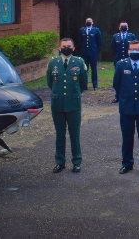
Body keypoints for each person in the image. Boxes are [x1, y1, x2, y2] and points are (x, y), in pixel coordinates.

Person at [113, 41, 139, 174]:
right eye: (132, 49)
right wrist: (125, 96)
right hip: (126, 107)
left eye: (137, 49)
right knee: (127, 137)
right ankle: (127, 163)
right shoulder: (121, 65)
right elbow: (116, 84)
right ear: (128, 51)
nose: (135, 51)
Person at [46, 38, 88, 173]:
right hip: (57, 104)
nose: (66, 48)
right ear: (59, 48)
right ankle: (60, 162)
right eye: (64, 46)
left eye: (69, 46)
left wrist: (74, 94)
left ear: (73, 48)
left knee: (74, 134)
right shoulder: (53, 62)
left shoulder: (79, 62)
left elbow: (83, 83)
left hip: (73, 104)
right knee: (60, 134)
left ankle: (76, 162)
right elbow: (50, 82)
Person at [110, 22, 137, 103]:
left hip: (129, 60)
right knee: (118, 79)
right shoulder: (115, 36)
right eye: (122, 26)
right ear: (119, 27)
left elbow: (135, 47)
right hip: (118, 60)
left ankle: (129, 95)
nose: (123, 27)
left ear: (127, 28)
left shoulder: (131, 36)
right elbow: (112, 48)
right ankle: (117, 96)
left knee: (129, 78)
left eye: (125, 26)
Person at [79, 17, 102, 89]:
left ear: (92, 22)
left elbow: (99, 41)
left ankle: (95, 84)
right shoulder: (82, 30)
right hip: (84, 53)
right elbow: (80, 40)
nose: (88, 22)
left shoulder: (96, 30)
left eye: (90, 21)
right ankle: (84, 84)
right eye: (87, 21)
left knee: (94, 69)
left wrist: (95, 49)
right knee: (84, 69)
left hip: (93, 53)